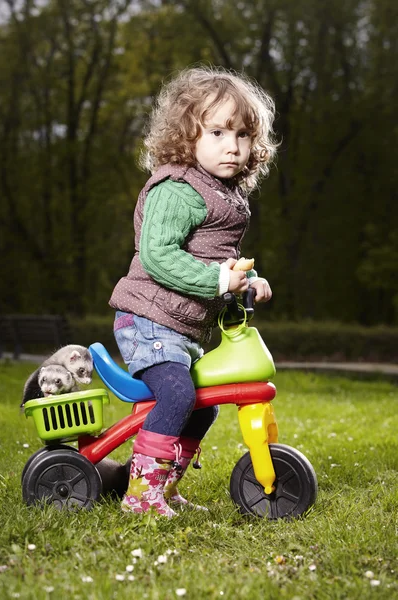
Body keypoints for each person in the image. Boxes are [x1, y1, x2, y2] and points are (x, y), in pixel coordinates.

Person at [109, 65, 277, 517]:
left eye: (243, 135)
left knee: (204, 407)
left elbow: (216, 259)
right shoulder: (177, 189)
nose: (233, 145)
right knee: (179, 395)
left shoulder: (224, 194)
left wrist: (244, 282)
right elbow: (159, 255)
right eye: (218, 131)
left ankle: (166, 486)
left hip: (179, 328)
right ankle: (141, 496)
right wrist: (219, 280)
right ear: (188, 136)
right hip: (147, 321)